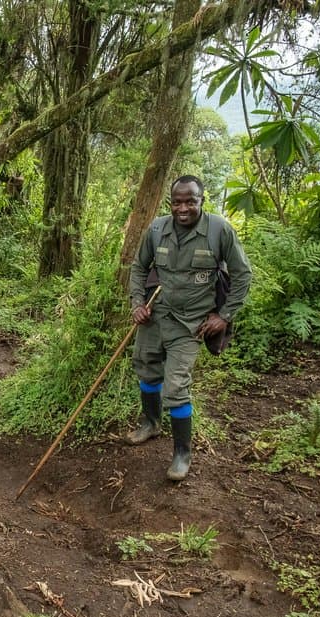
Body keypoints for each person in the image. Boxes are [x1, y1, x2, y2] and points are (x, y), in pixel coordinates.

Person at [127, 175, 252, 481]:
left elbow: (242, 274)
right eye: (177, 202)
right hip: (156, 316)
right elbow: (139, 267)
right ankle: (151, 422)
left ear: (201, 201)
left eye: (190, 201)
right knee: (146, 369)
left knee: (176, 386)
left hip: (191, 324)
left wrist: (223, 316)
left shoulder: (219, 230)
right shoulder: (157, 229)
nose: (183, 208)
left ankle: (182, 453)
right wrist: (137, 303)